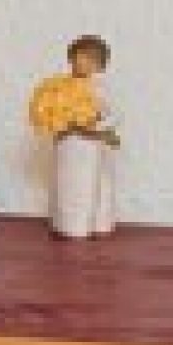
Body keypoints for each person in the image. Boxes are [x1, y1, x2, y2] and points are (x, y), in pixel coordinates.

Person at [30, 35, 120, 240]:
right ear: (71, 57)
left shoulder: (99, 88)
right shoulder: (56, 86)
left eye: (93, 60)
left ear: (101, 66)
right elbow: (46, 111)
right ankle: (70, 225)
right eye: (81, 56)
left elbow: (113, 115)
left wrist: (94, 125)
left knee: (90, 184)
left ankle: (92, 224)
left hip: (90, 144)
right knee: (68, 183)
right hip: (66, 141)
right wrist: (54, 122)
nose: (85, 63)